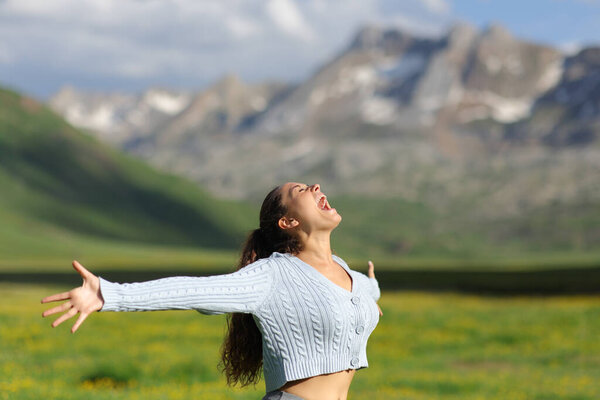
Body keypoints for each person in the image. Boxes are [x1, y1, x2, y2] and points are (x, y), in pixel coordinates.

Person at [42, 182, 382, 400]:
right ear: (288, 222)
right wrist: (110, 295)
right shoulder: (271, 276)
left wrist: (371, 296)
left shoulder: (345, 271)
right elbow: (192, 290)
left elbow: (365, 291)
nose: (315, 186)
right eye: (300, 190)